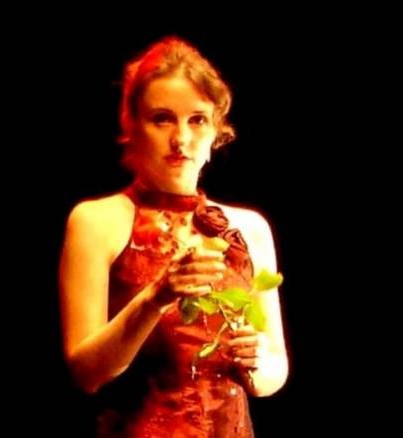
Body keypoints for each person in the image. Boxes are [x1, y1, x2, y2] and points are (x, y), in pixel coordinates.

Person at [59, 36, 288, 437]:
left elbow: (274, 370)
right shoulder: (97, 221)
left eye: (197, 120)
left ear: (217, 130)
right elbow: (86, 373)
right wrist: (156, 297)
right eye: (163, 118)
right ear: (133, 126)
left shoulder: (249, 227)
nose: (181, 139)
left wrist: (256, 362)